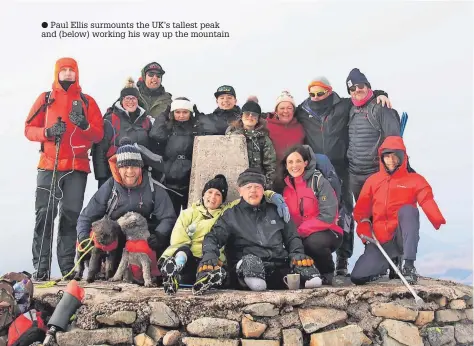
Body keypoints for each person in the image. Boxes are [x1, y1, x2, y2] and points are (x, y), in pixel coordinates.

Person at [295, 76, 392, 277]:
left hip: (342, 168)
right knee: (318, 213)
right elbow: (281, 114)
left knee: (346, 212)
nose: (316, 97)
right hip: (316, 170)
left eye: (320, 93)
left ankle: (343, 259)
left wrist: (381, 94)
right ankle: (321, 260)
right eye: (312, 93)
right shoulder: (302, 111)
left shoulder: (344, 105)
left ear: (329, 91)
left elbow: (363, 98)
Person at [24, 57, 104, 280]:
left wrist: (84, 125)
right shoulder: (45, 99)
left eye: (72, 70)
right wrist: (47, 133)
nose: (68, 74)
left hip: (77, 167)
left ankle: (68, 268)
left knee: (70, 217)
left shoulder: (87, 102)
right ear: (57, 73)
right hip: (49, 165)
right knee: (44, 216)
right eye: (64, 70)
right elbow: (29, 128)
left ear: (77, 73)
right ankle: (40, 269)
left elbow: (98, 133)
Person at [159, 174, 290, 294]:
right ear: (203, 194)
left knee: (215, 268)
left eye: (218, 195)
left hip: (212, 259)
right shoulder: (188, 213)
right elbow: (178, 240)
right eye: (210, 192)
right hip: (189, 256)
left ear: (222, 200)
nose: (212, 197)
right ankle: (175, 269)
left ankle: (204, 280)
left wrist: (271, 195)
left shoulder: (225, 212)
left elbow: (250, 196)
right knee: (182, 251)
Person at [198, 168, 322, 292]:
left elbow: (292, 237)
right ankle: (242, 278)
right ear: (240, 191)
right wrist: (210, 254)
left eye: (257, 187)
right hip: (245, 266)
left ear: (263, 190)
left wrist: (297, 254)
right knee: (251, 263)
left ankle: (298, 278)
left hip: (278, 265)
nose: (253, 190)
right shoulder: (230, 215)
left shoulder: (277, 211)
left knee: (311, 275)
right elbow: (212, 237)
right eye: (248, 187)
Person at [351, 136, 446, 285]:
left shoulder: (414, 180)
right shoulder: (373, 181)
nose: (391, 160)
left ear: (402, 157)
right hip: (380, 240)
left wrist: (436, 217)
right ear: (381, 158)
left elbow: (426, 198)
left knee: (408, 211)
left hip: (400, 236)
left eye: (395, 156)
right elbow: (361, 211)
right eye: (387, 156)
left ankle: (408, 266)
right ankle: (386, 265)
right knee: (357, 277)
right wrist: (363, 225)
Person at [76, 142, 177, 268]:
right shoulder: (110, 186)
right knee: (94, 237)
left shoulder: (153, 187)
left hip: (140, 235)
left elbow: (168, 217)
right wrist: (83, 237)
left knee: (142, 255)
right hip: (114, 235)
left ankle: (140, 272)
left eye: (134, 166)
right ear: (118, 168)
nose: (130, 171)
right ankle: (101, 268)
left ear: (141, 167)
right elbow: (86, 217)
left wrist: (159, 234)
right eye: (125, 167)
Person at [279, 145, 343, 285]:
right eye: (290, 162)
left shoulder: (319, 181)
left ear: (306, 163)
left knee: (312, 243)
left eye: (298, 161)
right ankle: (308, 273)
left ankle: (327, 272)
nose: (294, 165)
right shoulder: (286, 190)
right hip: (299, 235)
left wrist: (301, 230)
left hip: (327, 231)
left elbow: (328, 215)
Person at [346, 68, 401, 201]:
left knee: (380, 214)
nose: (357, 90)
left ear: (367, 86)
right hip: (355, 174)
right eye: (352, 88)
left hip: (375, 173)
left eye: (360, 86)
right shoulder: (351, 108)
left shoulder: (380, 107)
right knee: (362, 216)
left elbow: (394, 141)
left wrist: (393, 169)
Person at [92, 77, 155, 189]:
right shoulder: (110, 120)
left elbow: (152, 148)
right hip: (112, 173)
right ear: (121, 100)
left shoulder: (146, 122)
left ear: (137, 100)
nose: (130, 101)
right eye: (127, 98)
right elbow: (100, 150)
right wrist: (101, 177)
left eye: (133, 98)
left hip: (138, 173)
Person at [149, 97, 199, 215]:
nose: (181, 115)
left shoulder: (196, 128)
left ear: (190, 113)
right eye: (177, 112)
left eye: (185, 112)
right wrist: (165, 113)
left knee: (191, 215)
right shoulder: (168, 128)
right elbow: (155, 133)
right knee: (171, 215)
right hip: (170, 177)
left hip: (189, 177)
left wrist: (199, 115)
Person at [226, 100, 277, 189]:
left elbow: (270, 166)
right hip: (236, 182)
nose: (250, 116)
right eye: (247, 114)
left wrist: (267, 186)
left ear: (258, 119)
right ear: (241, 116)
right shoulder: (231, 136)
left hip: (257, 183)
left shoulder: (263, 138)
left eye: (254, 115)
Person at [266, 91, 305, 162]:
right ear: (276, 111)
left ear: (293, 111)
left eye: (289, 108)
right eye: (282, 108)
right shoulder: (266, 126)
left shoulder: (299, 127)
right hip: (274, 170)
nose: (286, 111)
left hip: (295, 169)